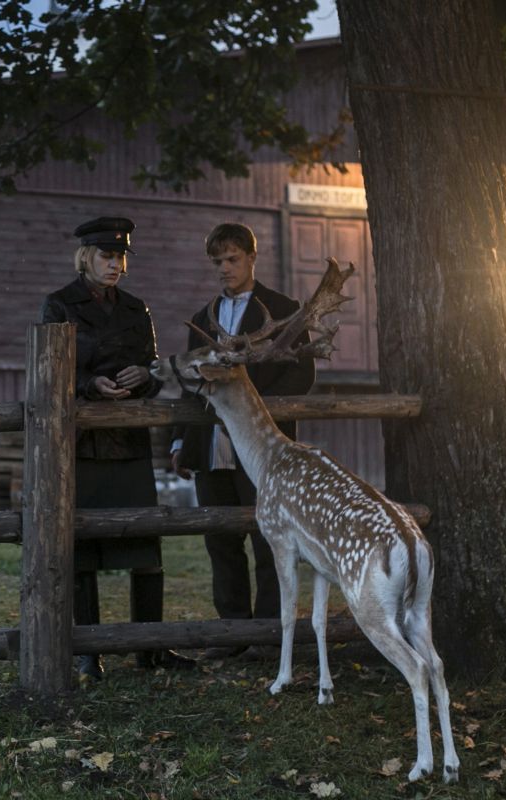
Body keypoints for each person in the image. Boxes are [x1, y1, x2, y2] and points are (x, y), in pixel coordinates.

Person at [41, 216, 194, 680]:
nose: (117, 265)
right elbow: (51, 368)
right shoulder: (58, 305)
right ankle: (89, 653)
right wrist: (89, 384)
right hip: (83, 447)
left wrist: (144, 377)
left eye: (121, 257)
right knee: (84, 550)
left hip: (129, 444)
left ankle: (151, 647)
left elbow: (151, 366)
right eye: (108, 256)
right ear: (87, 257)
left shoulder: (136, 308)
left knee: (145, 545)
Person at [170, 223, 315, 660]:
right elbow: (186, 383)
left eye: (232, 260)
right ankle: (231, 632)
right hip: (210, 443)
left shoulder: (285, 310)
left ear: (253, 257)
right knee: (220, 537)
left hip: (262, 448)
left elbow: (302, 375)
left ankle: (269, 636)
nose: (224, 269)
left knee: (268, 536)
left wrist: (250, 411)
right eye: (217, 262)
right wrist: (179, 442)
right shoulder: (202, 318)